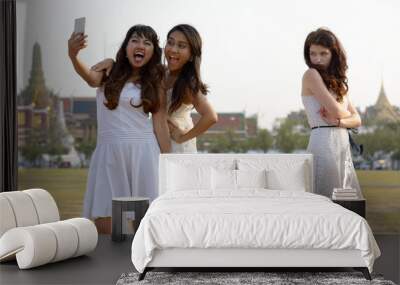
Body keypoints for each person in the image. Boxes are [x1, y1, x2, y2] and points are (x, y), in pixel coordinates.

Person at [68, 25, 170, 233]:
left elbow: (160, 124)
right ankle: (113, 265)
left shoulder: (156, 80)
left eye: (147, 42)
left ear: (152, 52)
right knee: (107, 226)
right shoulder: (109, 71)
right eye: (135, 40)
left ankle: (141, 265)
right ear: (126, 47)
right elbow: (90, 78)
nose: (140, 45)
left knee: (144, 226)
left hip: (144, 154)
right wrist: (73, 55)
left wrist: (170, 164)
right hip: (109, 153)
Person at [92, 24, 218, 153]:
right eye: (170, 42)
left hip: (177, 145)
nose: (173, 49)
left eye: (181, 46)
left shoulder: (187, 84)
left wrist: (183, 137)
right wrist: (112, 62)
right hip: (157, 137)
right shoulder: (161, 72)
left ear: (192, 55)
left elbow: (211, 117)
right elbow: (133, 69)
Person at [301, 27, 362, 198]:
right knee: (325, 198)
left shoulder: (339, 82)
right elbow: (337, 110)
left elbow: (357, 120)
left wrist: (340, 122)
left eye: (323, 53)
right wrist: (342, 114)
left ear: (333, 54)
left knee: (347, 201)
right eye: (313, 53)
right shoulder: (311, 75)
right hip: (323, 141)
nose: (317, 59)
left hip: (341, 143)